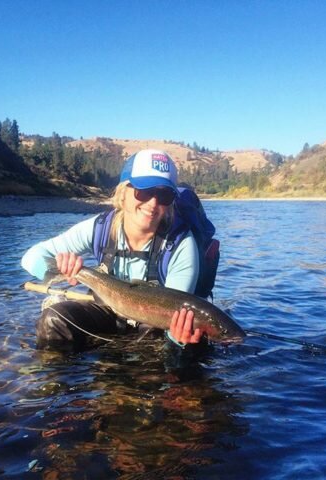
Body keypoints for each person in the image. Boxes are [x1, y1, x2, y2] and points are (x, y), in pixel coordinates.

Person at [21, 149, 208, 354]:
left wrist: (177, 340)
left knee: (161, 355)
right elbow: (30, 257)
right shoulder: (99, 228)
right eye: (144, 191)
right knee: (53, 320)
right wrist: (61, 269)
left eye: (164, 195)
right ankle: (56, 380)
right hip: (108, 310)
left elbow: (175, 318)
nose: (153, 203)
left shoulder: (181, 244)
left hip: (153, 324)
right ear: (122, 193)